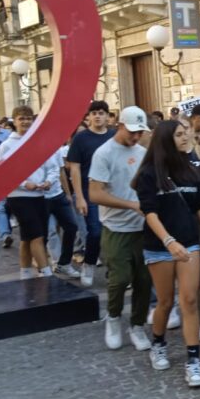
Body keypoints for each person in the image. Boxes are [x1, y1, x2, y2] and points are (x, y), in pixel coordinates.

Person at [134, 120, 200, 388]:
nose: (186, 137)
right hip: (159, 246)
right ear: (166, 139)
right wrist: (168, 241)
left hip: (190, 243)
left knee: (189, 301)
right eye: (180, 134)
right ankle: (158, 342)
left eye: (186, 133)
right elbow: (149, 212)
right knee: (166, 302)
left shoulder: (190, 170)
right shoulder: (148, 173)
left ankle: (193, 360)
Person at [88, 107, 153, 353]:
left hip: (143, 227)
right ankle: (113, 318)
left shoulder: (143, 152)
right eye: (133, 131)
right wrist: (130, 205)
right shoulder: (104, 153)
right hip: (115, 227)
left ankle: (137, 325)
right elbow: (95, 193)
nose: (136, 137)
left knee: (145, 280)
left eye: (140, 132)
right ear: (120, 126)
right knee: (120, 278)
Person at [0, 107, 52, 279]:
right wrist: (24, 183)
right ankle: (46, 272)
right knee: (37, 235)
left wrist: (49, 181)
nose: (25, 122)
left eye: (28, 118)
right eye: (21, 118)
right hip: (18, 196)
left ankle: (25, 273)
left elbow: (50, 165)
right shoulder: (6, 145)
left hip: (40, 195)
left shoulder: (39, 141)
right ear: (14, 121)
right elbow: (2, 172)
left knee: (27, 237)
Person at [68, 100, 115, 286]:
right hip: (90, 193)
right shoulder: (81, 138)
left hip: (111, 192)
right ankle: (89, 264)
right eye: (94, 113)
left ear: (107, 116)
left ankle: (114, 270)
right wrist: (79, 197)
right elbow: (75, 169)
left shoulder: (113, 136)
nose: (97, 116)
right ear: (88, 116)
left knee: (113, 232)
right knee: (94, 233)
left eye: (101, 112)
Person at [43, 142, 81, 278]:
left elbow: (61, 171)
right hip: (41, 197)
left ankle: (65, 263)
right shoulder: (32, 149)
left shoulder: (56, 149)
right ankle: (54, 262)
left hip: (58, 195)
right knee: (50, 231)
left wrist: (68, 193)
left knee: (71, 227)